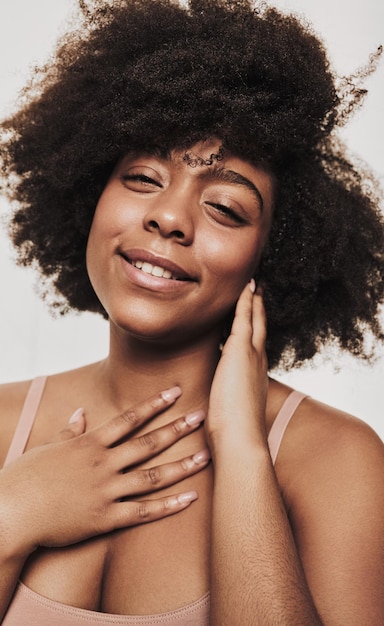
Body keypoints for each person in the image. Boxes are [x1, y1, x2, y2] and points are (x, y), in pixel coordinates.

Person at [0, 0, 383, 623]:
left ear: (278, 252)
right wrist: (13, 512)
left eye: (226, 208)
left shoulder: (333, 462)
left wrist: (241, 448)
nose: (169, 217)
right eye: (143, 178)